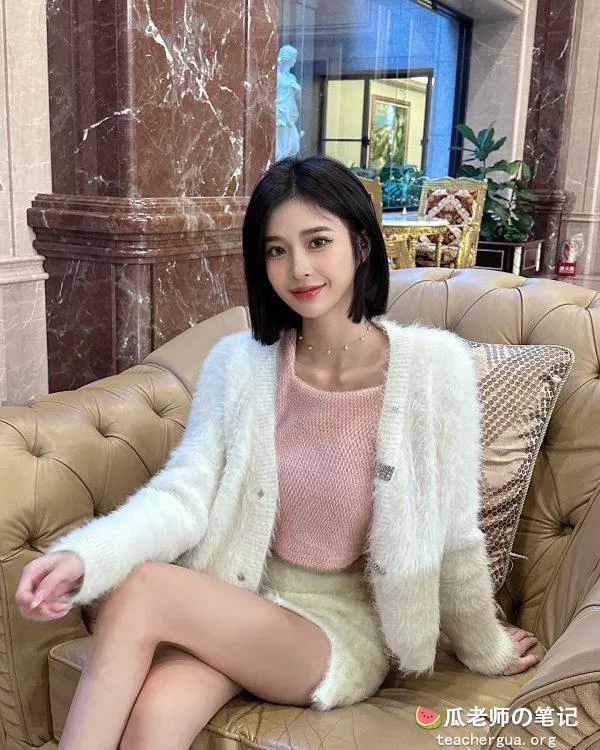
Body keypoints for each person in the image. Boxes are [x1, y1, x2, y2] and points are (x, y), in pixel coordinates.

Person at [16, 155, 540, 750]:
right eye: (276, 250)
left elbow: (455, 534)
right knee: (155, 720)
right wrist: (84, 556)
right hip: (238, 598)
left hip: (336, 631)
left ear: (360, 244)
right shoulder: (239, 364)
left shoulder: (435, 369)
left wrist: (487, 649)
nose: (299, 269)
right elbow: (183, 494)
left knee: (143, 588)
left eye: (318, 241)